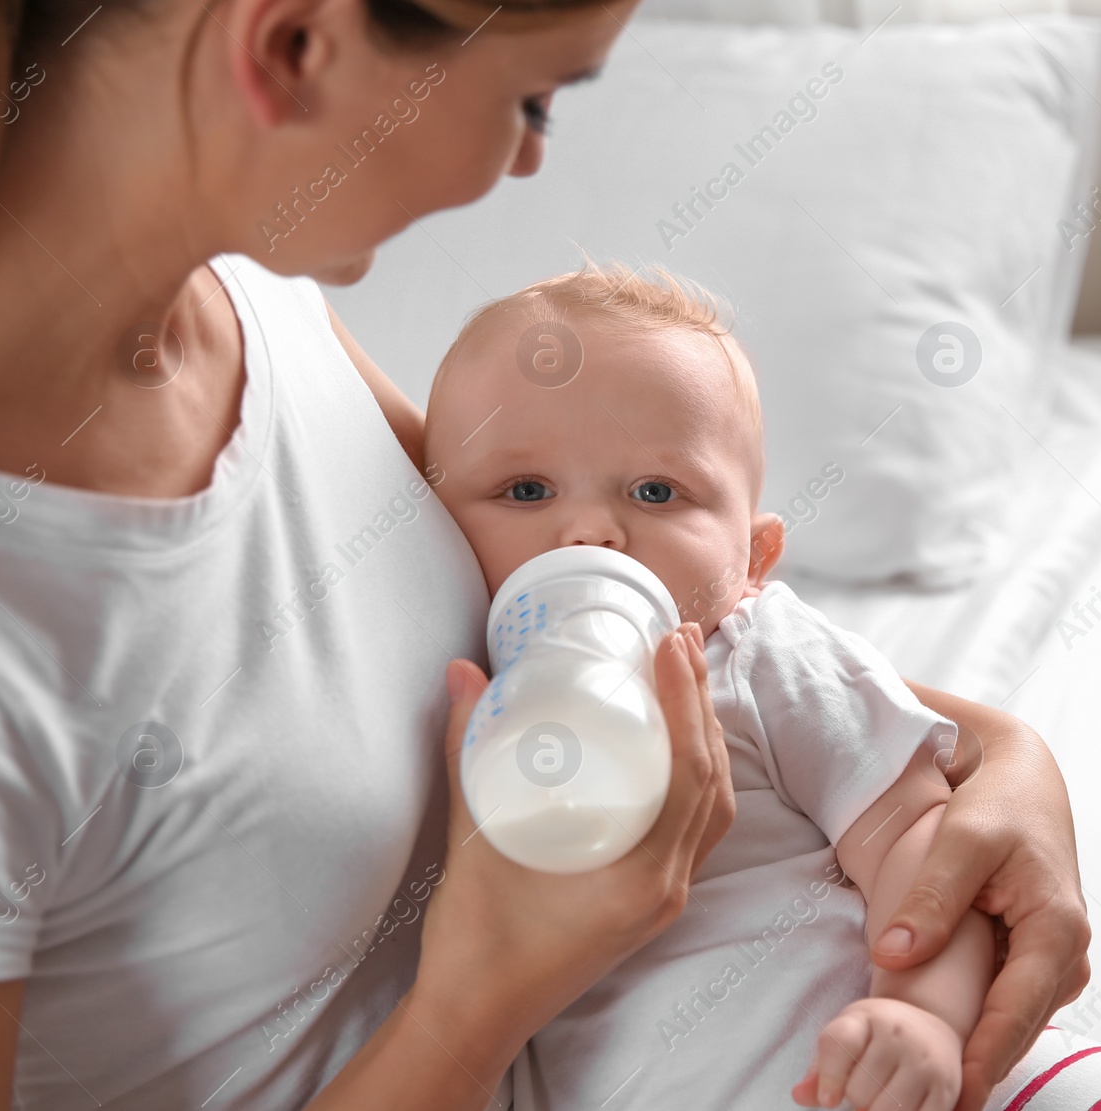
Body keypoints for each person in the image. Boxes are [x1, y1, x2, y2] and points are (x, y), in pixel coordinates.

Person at [0, 0, 1091, 1107]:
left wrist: (1000, 755)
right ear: (294, 48)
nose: (526, 163)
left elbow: (612, 611)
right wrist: (486, 995)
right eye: (534, 99)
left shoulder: (252, 306)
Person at [424, 264, 996, 1111]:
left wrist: (921, 1017)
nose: (590, 530)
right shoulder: (454, 693)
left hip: (850, 1078)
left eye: (658, 491)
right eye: (525, 489)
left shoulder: (763, 656)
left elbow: (919, 839)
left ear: (753, 562)